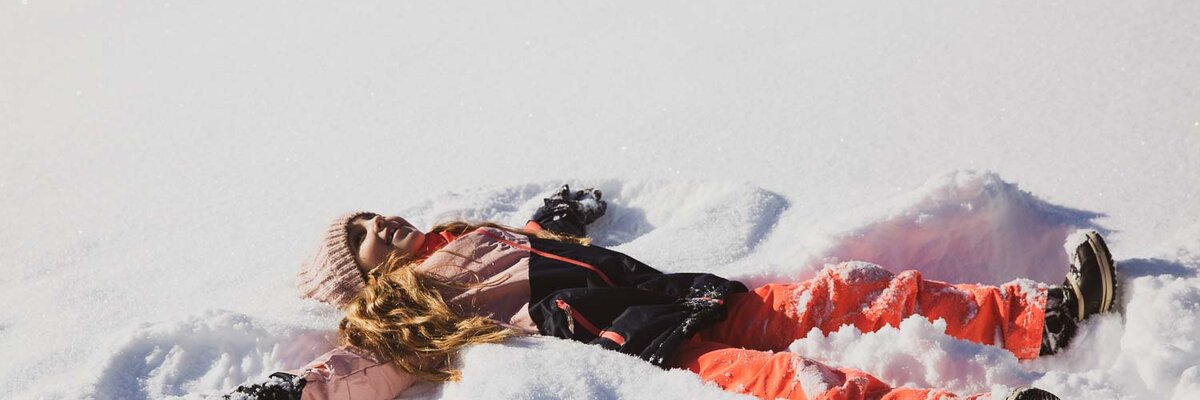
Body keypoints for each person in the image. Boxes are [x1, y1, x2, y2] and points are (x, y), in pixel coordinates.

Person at [227, 186, 1116, 400]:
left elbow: (549, 252)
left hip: (693, 297)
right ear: (364, 280)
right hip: (660, 347)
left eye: (372, 218)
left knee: (865, 291)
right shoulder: (412, 301)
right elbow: (365, 363)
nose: (380, 229)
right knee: (815, 389)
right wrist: (295, 390)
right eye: (361, 242)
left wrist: (555, 218)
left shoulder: (472, 237)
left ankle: (1045, 315)